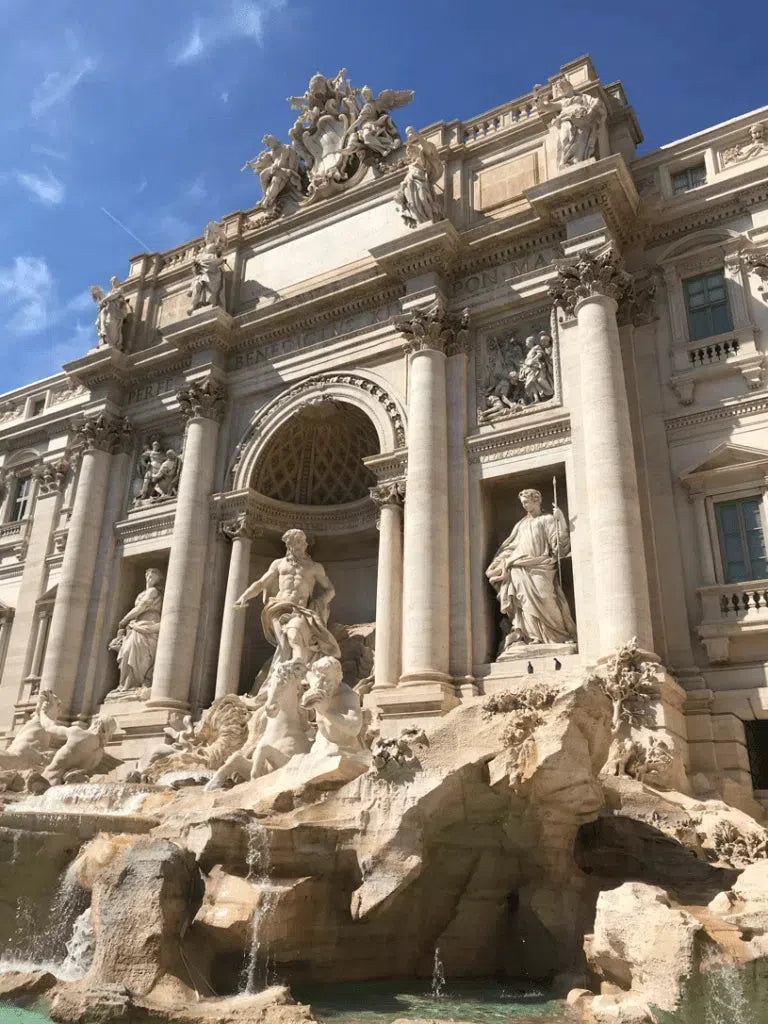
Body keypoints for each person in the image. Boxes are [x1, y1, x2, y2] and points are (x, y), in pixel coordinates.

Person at [486, 489, 576, 652]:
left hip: (541, 566)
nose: (524, 505)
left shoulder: (547, 519)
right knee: (523, 602)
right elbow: (511, 547)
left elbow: (559, 547)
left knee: (546, 597)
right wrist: (498, 562)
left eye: (526, 502)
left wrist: (561, 520)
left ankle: (557, 636)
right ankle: (531, 636)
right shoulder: (521, 524)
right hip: (518, 567)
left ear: (537, 500)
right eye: (522, 503)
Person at [234, 529, 339, 665]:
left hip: (300, 611)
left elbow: (330, 590)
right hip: (278, 608)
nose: (304, 545)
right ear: (290, 544)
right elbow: (260, 584)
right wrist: (244, 596)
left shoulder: (314, 567)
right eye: (300, 542)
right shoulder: (279, 564)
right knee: (284, 644)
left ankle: (293, 672)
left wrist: (319, 603)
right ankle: (283, 676)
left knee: (295, 638)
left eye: (304, 542)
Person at [109, 568, 164, 691]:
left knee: (141, 653)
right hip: (137, 625)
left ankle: (137, 682)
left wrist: (124, 619)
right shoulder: (142, 593)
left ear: (158, 580)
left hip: (149, 623)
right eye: (148, 576)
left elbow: (141, 607)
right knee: (127, 651)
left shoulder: (153, 591)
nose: (150, 578)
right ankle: (127, 684)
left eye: (153, 577)